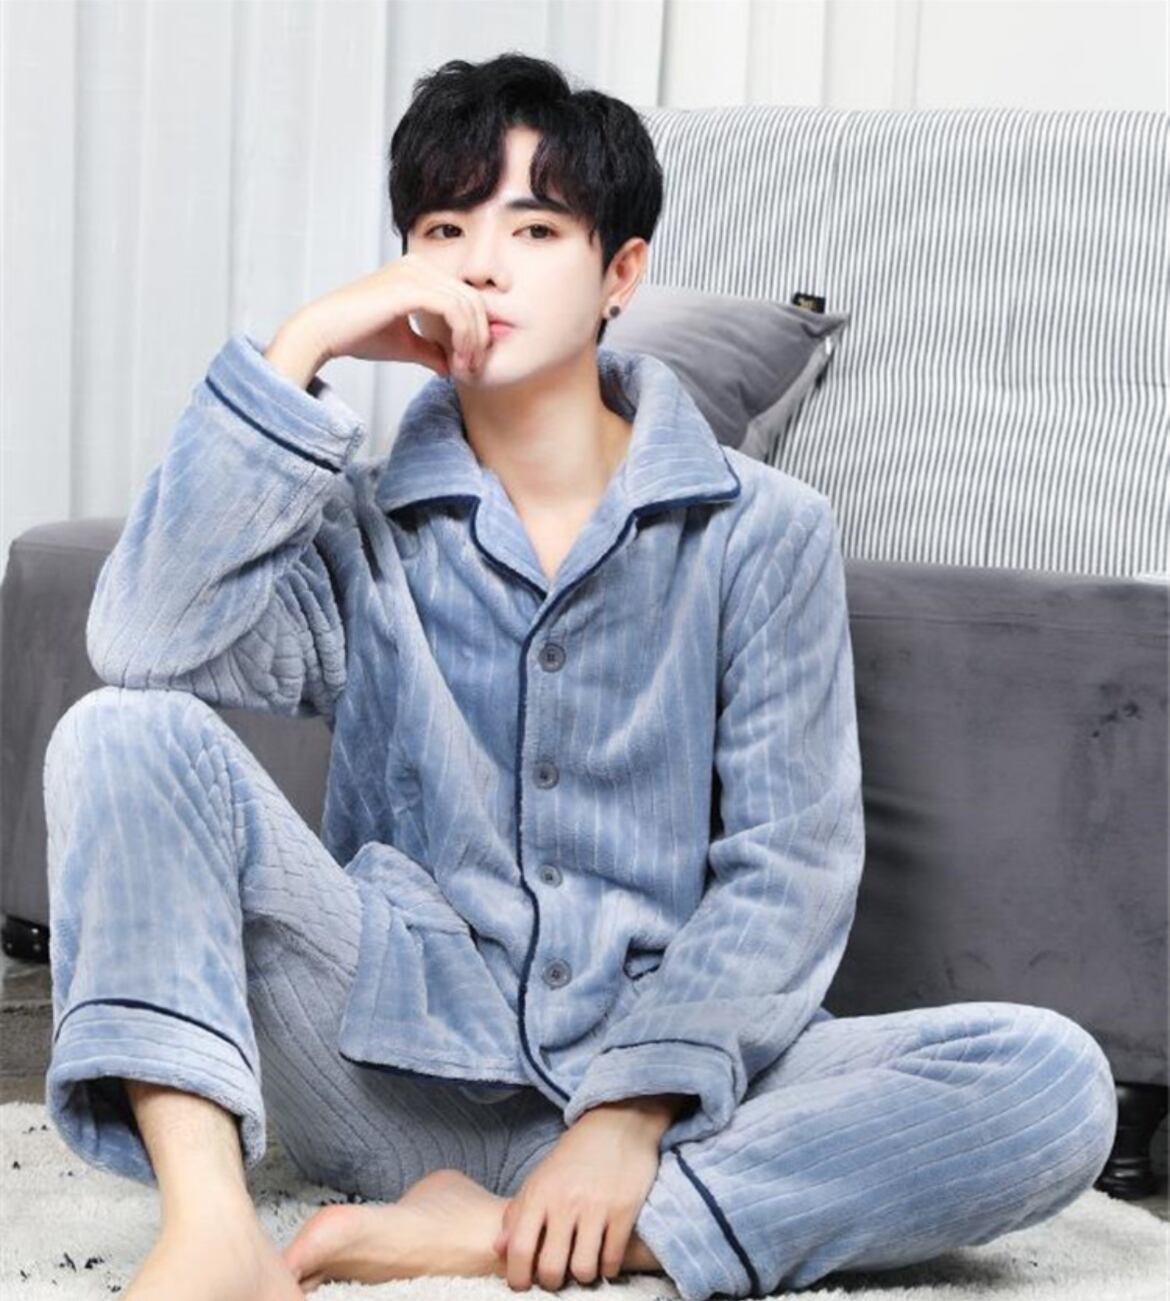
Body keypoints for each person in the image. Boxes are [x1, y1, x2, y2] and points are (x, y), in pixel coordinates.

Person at [42, 51, 1117, 1301]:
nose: (481, 265)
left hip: (669, 1095)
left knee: (1046, 1079)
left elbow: (789, 867)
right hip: (387, 1065)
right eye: (445, 229)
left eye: (535, 228)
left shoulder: (765, 532)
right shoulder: (358, 526)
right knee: (117, 730)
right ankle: (215, 1230)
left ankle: (494, 1234)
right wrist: (303, 346)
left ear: (622, 272)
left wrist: (626, 1113)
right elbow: (148, 639)